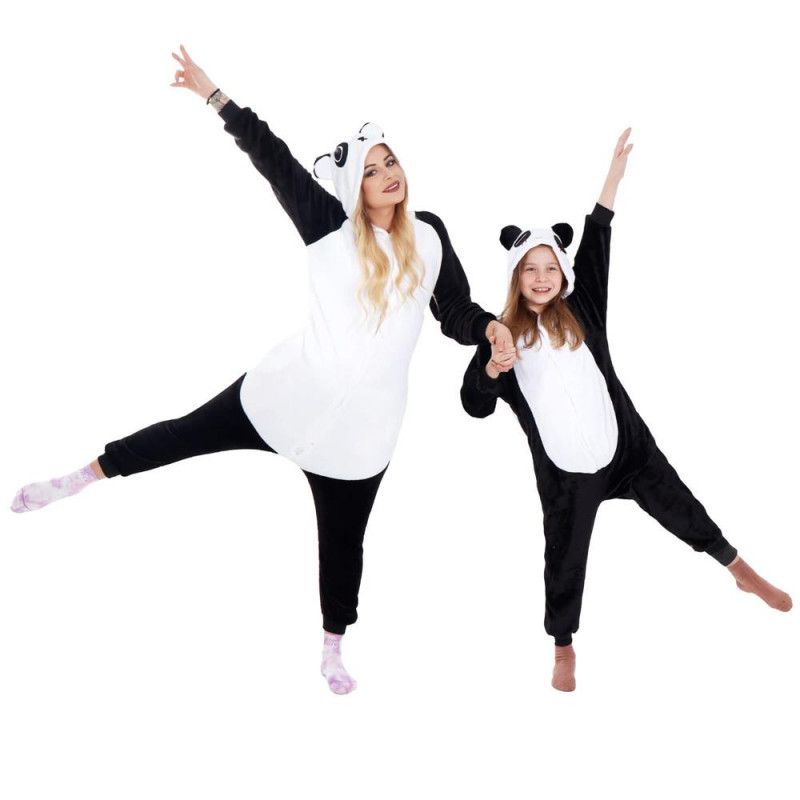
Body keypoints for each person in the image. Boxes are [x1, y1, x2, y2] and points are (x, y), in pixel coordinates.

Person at [10, 45, 513, 695]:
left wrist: (489, 328)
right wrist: (215, 97)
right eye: (372, 168)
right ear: (354, 186)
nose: (388, 174)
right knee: (181, 435)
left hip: (362, 438)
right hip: (283, 398)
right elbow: (272, 156)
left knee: (344, 547)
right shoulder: (328, 227)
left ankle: (332, 648)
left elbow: (456, 311)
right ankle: (82, 476)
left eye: (391, 162)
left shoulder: (431, 237)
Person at [460, 128, 792, 692]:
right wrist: (493, 367)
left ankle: (739, 569)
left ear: (562, 274)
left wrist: (611, 181)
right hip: (568, 474)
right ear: (516, 277)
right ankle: (563, 646)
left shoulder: (583, 308)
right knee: (564, 559)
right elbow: (473, 405)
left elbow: (597, 240)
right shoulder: (503, 336)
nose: (541, 278)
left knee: (682, 506)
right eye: (530, 270)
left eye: (550, 268)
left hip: (626, 450)